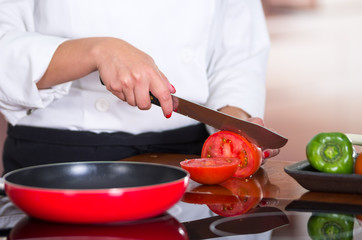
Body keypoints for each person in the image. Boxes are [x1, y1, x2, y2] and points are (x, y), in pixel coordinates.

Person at [0, 0, 278, 174]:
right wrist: (97, 51)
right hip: (61, 158)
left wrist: (233, 130)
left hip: (190, 158)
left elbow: (239, 54)